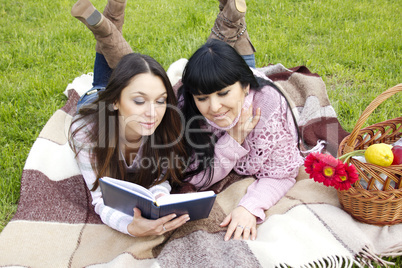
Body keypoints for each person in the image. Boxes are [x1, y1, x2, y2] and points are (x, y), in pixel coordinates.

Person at [69, 0, 190, 237]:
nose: (153, 113)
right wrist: (130, 227)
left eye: (160, 100)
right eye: (139, 101)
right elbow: (100, 197)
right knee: (102, 83)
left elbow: (160, 179)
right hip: (95, 102)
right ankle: (106, 28)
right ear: (116, 101)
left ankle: (109, 22)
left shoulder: (166, 124)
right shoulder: (85, 132)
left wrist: (160, 201)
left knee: (126, 68)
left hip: (118, 94)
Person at [177, 39, 304, 241]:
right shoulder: (187, 107)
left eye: (223, 93)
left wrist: (250, 207)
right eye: (202, 98)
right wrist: (233, 140)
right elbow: (193, 177)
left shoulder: (269, 106)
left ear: (245, 86)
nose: (215, 107)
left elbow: (282, 173)